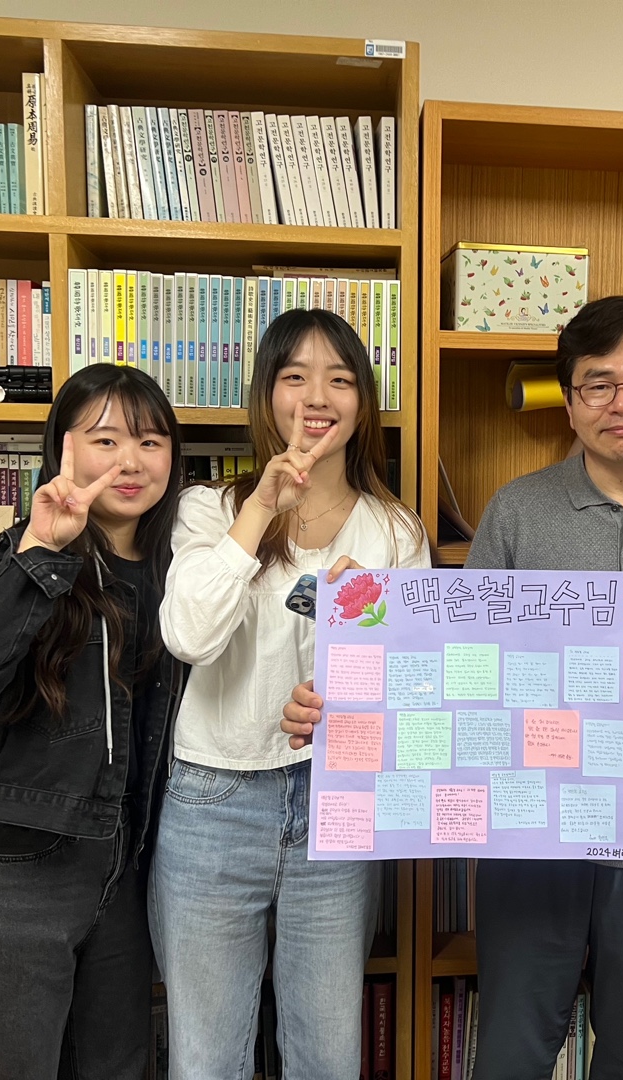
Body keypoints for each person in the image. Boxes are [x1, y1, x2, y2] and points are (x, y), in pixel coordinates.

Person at [284, 294, 623, 1080]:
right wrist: (354, 671)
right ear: (570, 402)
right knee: (513, 1044)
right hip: (528, 827)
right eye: (598, 384)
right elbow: (460, 660)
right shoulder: (518, 509)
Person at [152, 308, 429, 1080]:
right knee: (206, 1058)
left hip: (337, 806)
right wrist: (260, 509)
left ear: (363, 401)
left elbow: (417, 692)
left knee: (327, 1053)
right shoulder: (208, 508)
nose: (317, 397)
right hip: (213, 799)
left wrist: (360, 669)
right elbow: (189, 635)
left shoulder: (396, 532)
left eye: (339, 379)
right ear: (267, 395)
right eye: (295, 377)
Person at [0, 363, 184, 1080]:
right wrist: (41, 551)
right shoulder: (17, 555)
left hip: (128, 869)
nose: (130, 461)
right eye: (105, 440)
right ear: (62, 446)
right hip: (19, 866)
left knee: (118, 1066)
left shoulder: (182, 572)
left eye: (151, 442)